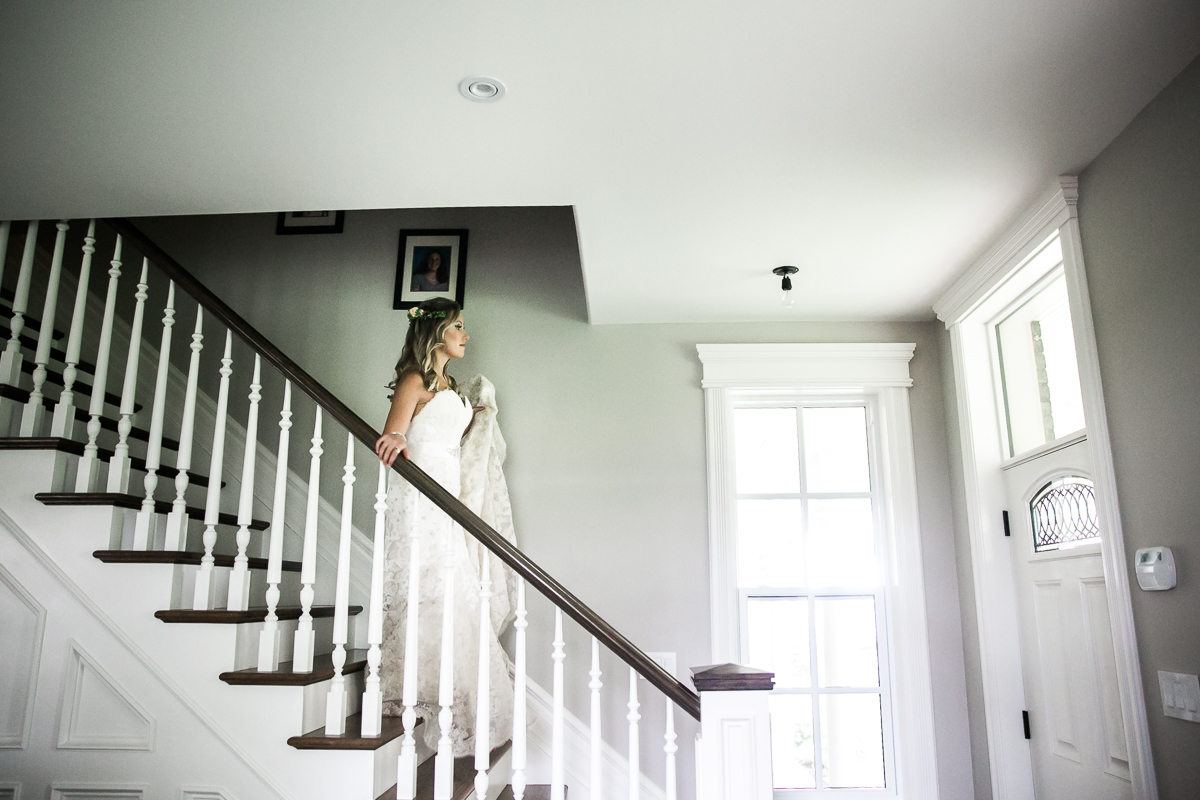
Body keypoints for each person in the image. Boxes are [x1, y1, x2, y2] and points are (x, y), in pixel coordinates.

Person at [374, 297, 516, 759]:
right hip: (422, 497)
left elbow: (449, 435)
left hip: (448, 495)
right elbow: (395, 432)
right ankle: (420, 688)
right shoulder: (413, 380)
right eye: (457, 326)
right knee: (431, 583)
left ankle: (452, 691)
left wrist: (477, 414)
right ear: (436, 332)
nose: (465, 335)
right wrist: (396, 437)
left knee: (453, 586)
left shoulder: (449, 386)